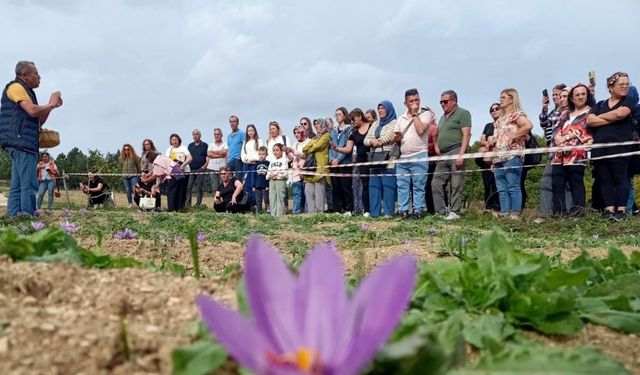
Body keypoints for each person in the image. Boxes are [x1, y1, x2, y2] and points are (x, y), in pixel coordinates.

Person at [0, 61, 63, 216]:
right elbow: (32, 110)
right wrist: (50, 104)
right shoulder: (16, 88)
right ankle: (28, 220)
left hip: (19, 143)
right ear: (25, 75)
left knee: (18, 186)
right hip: (22, 143)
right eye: (36, 73)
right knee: (28, 184)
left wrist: (51, 106)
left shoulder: (26, 92)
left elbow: (38, 120)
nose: (39, 77)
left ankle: (15, 218)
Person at [587, 72, 638, 221]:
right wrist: (612, 116)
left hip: (621, 146)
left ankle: (621, 210)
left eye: (627, 84)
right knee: (605, 179)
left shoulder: (629, 100)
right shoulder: (600, 104)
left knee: (621, 177)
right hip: (600, 147)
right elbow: (590, 121)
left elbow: (621, 114)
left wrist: (600, 118)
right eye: (621, 84)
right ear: (611, 87)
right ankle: (609, 210)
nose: (625, 87)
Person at [487, 89, 533, 220]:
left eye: (503, 97)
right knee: (501, 187)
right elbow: (497, 136)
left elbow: (528, 125)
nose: (500, 99)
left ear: (512, 99)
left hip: (512, 155)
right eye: (500, 97)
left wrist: (513, 135)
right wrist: (492, 140)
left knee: (513, 186)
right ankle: (505, 212)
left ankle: (515, 213)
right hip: (498, 157)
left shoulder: (516, 114)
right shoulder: (499, 120)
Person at [551, 84, 594, 217]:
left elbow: (587, 130)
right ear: (572, 98)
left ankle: (578, 212)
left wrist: (568, 136)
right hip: (558, 153)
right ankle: (559, 212)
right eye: (577, 94)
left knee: (576, 182)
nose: (580, 97)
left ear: (587, 96)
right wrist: (557, 137)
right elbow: (556, 127)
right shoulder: (565, 113)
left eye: (583, 94)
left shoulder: (591, 112)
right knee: (557, 182)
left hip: (577, 153)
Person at [393, 89, 435, 220]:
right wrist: (397, 138)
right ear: (405, 103)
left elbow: (421, 130)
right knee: (402, 186)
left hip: (419, 154)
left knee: (418, 186)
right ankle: (403, 211)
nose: (414, 103)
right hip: (403, 157)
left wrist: (415, 114)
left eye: (417, 100)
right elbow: (396, 135)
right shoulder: (401, 118)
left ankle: (417, 211)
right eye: (411, 101)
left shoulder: (426, 114)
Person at [432, 90, 472, 220]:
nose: (442, 104)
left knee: (456, 183)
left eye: (445, 101)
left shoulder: (463, 113)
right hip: (443, 154)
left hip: (456, 150)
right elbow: (435, 134)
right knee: (435, 182)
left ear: (454, 101)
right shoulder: (442, 118)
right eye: (441, 102)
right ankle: (441, 211)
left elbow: (466, 135)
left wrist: (462, 154)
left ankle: (455, 211)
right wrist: (437, 147)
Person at [333, 108, 371, 216]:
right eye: (351, 120)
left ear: (359, 116)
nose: (352, 122)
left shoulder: (371, 126)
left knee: (372, 185)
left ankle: (375, 209)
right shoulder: (353, 132)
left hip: (372, 159)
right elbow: (348, 149)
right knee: (364, 186)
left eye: (353, 119)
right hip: (361, 161)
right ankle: (366, 210)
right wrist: (337, 149)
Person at [364, 101, 398, 218]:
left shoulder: (394, 122)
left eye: (383, 108)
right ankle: (375, 213)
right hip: (374, 157)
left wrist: (377, 141)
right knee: (374, 186)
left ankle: (388, 213)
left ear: (388, 109)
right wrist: (371, 141)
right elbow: (366, 139)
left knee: (388, 185)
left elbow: (389, 136)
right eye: (378, 108)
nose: (380, 110)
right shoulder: (375, 123)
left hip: (388, 157)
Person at [539, 83, 568, 217]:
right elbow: (544, 124)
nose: (555, 97)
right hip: (552, 151)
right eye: (554, 95)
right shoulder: (553, 112)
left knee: (566, 184)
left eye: (558, 95)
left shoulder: (568, 111)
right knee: (548, 182)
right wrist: (544, 109)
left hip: (568, 152)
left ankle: (566, 211)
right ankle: (547, 213)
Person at [475, 103, 501, 212]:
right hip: (487, 159)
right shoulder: (488, 125)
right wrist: (487, 144)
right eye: (492, 110)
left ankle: (497, 208)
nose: (494, 111)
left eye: (497, 108)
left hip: (499, 157)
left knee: (498, 184)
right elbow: (482, 139)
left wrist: (492, 142)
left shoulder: (504, 124)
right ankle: (488, 208)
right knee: (487, 183)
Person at [303, 118, 331, 213]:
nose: (316, 126)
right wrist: (312, 146)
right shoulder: (315, 137)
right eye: (315, 124)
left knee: (319, 193)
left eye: (318, 124)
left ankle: (320, 214)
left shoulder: (326, 136)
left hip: (320, 167)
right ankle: (311, 213)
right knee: (308, 191)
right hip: (310, 168)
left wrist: (311, 147)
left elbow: (317, 146)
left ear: (323, 124)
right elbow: (304, 148)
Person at [329, 107, 353, 215]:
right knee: (336, 186)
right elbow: (331, 146)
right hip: (334, 163)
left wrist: (338, 159)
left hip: (344, 162)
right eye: (336, 115)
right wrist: (331, 160)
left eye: (339, 114)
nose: (337, 116)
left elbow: (344, 145)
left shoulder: (349, 129)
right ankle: (337, 209)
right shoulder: (333, 130)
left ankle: (349, 208)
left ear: (344, 115)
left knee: (346, 186)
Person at [286, 125, 310, 214]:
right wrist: (287, 152)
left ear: (303, 133)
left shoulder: (309, 142)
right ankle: (296, 212)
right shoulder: (294, 144)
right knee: (297, 194)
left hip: (306, 171)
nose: (296, 134)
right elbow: (292, 158)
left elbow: (306, 155)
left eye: (298, 132)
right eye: (295, 133)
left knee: (307, 194)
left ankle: (307, 212)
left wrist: (292, 151)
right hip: (295, 173)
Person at [164, 134, 192, 210]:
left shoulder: (183, 148)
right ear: (170, 141)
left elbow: (190, 158)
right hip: (172, 173)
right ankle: (172, 207)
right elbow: (166, 161)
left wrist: (183, 165)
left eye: (176, 139)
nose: (174, 141)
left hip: (183, 172)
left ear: (179, 140)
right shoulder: (169, 150)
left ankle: (181, 207)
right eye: (173, 140)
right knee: (172, 190)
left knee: (182, 190)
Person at [186, 129, 209, 207]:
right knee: (189, 187)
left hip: (200, 169)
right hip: (191, 169)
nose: (195, 136)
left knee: (199, 187)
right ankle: (188, 204)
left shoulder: (205, 145)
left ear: (200, 135)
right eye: (194, 135)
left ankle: (198, 205)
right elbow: (187, 157)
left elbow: (208, 157)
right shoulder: (190, 145)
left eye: (197, 134)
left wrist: (204, 166)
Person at [240, 124, 263, 200]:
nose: (250, 132)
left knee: (254, 184)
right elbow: (242, 154)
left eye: (252, 130)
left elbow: (261, 153)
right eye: (249, 131)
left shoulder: (259, 141)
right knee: (246, 184)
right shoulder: (245, 142)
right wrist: (246, 160)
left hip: (255, 164)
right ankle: (248, 203)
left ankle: (256, 203)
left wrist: (253, 159)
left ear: (255, 131)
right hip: (246, 165)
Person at [267, 143, 289, 216]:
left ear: (281, 151)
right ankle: (273, 214)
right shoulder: (271, 161)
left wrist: (277, 175)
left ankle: (280, 215)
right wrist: (271, 175)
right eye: (274, 150)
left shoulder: (284, 160)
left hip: (280, 180)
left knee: (280, 197)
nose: (275, 152)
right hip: (272, 180)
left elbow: (285, 172)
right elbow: (268, 171)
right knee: (272, 197)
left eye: (277, 150)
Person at [206, 128, 228, 194]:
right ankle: (216, 202)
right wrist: (221, 155)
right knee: (214, 187)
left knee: (223, 185)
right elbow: (209, 154)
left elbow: (225, 152)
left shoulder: (225, 144)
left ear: (221, 135)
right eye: (215, 134)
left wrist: (213, 152)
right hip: (212, 168)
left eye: (218, 134)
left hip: (223, 168)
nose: (216, 136)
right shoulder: (210, 145)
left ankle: (224, 202)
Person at [119, 143, 141, 208]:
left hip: (134, 175)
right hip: (125, 176)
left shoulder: (135, 157)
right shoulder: (121, 158)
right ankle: (130, 204)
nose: (126, 151)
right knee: (128, 190)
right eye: (125, 149)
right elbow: (121, 167)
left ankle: (139, 203)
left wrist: (139, 175)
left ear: (130, 149)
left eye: (128, 149)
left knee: (136, 190)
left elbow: (138, 167)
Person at [227, 115, 245, 179]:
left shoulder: (242, 134)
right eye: (231, 122)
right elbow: (229, 148)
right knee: (229, 181)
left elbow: (245, 146)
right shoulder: (229, 136)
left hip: (238, 160)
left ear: (238, 123)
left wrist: (242, 156)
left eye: (234, 121)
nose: (232, 123)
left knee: (238, 180)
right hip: (230, 161)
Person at [254, 146, 270, 213]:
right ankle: (258, 211)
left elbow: (269, 175)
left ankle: (268, 210)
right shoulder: (256, 164)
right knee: (258, 199)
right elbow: (254, 175)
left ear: (266, 154)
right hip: (257, 185)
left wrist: (268, 185)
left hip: (265, 185)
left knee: (266, 199)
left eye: (263, 154)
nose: (261, 156)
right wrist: (253, 185)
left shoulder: (268, 163)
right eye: (260, 154)